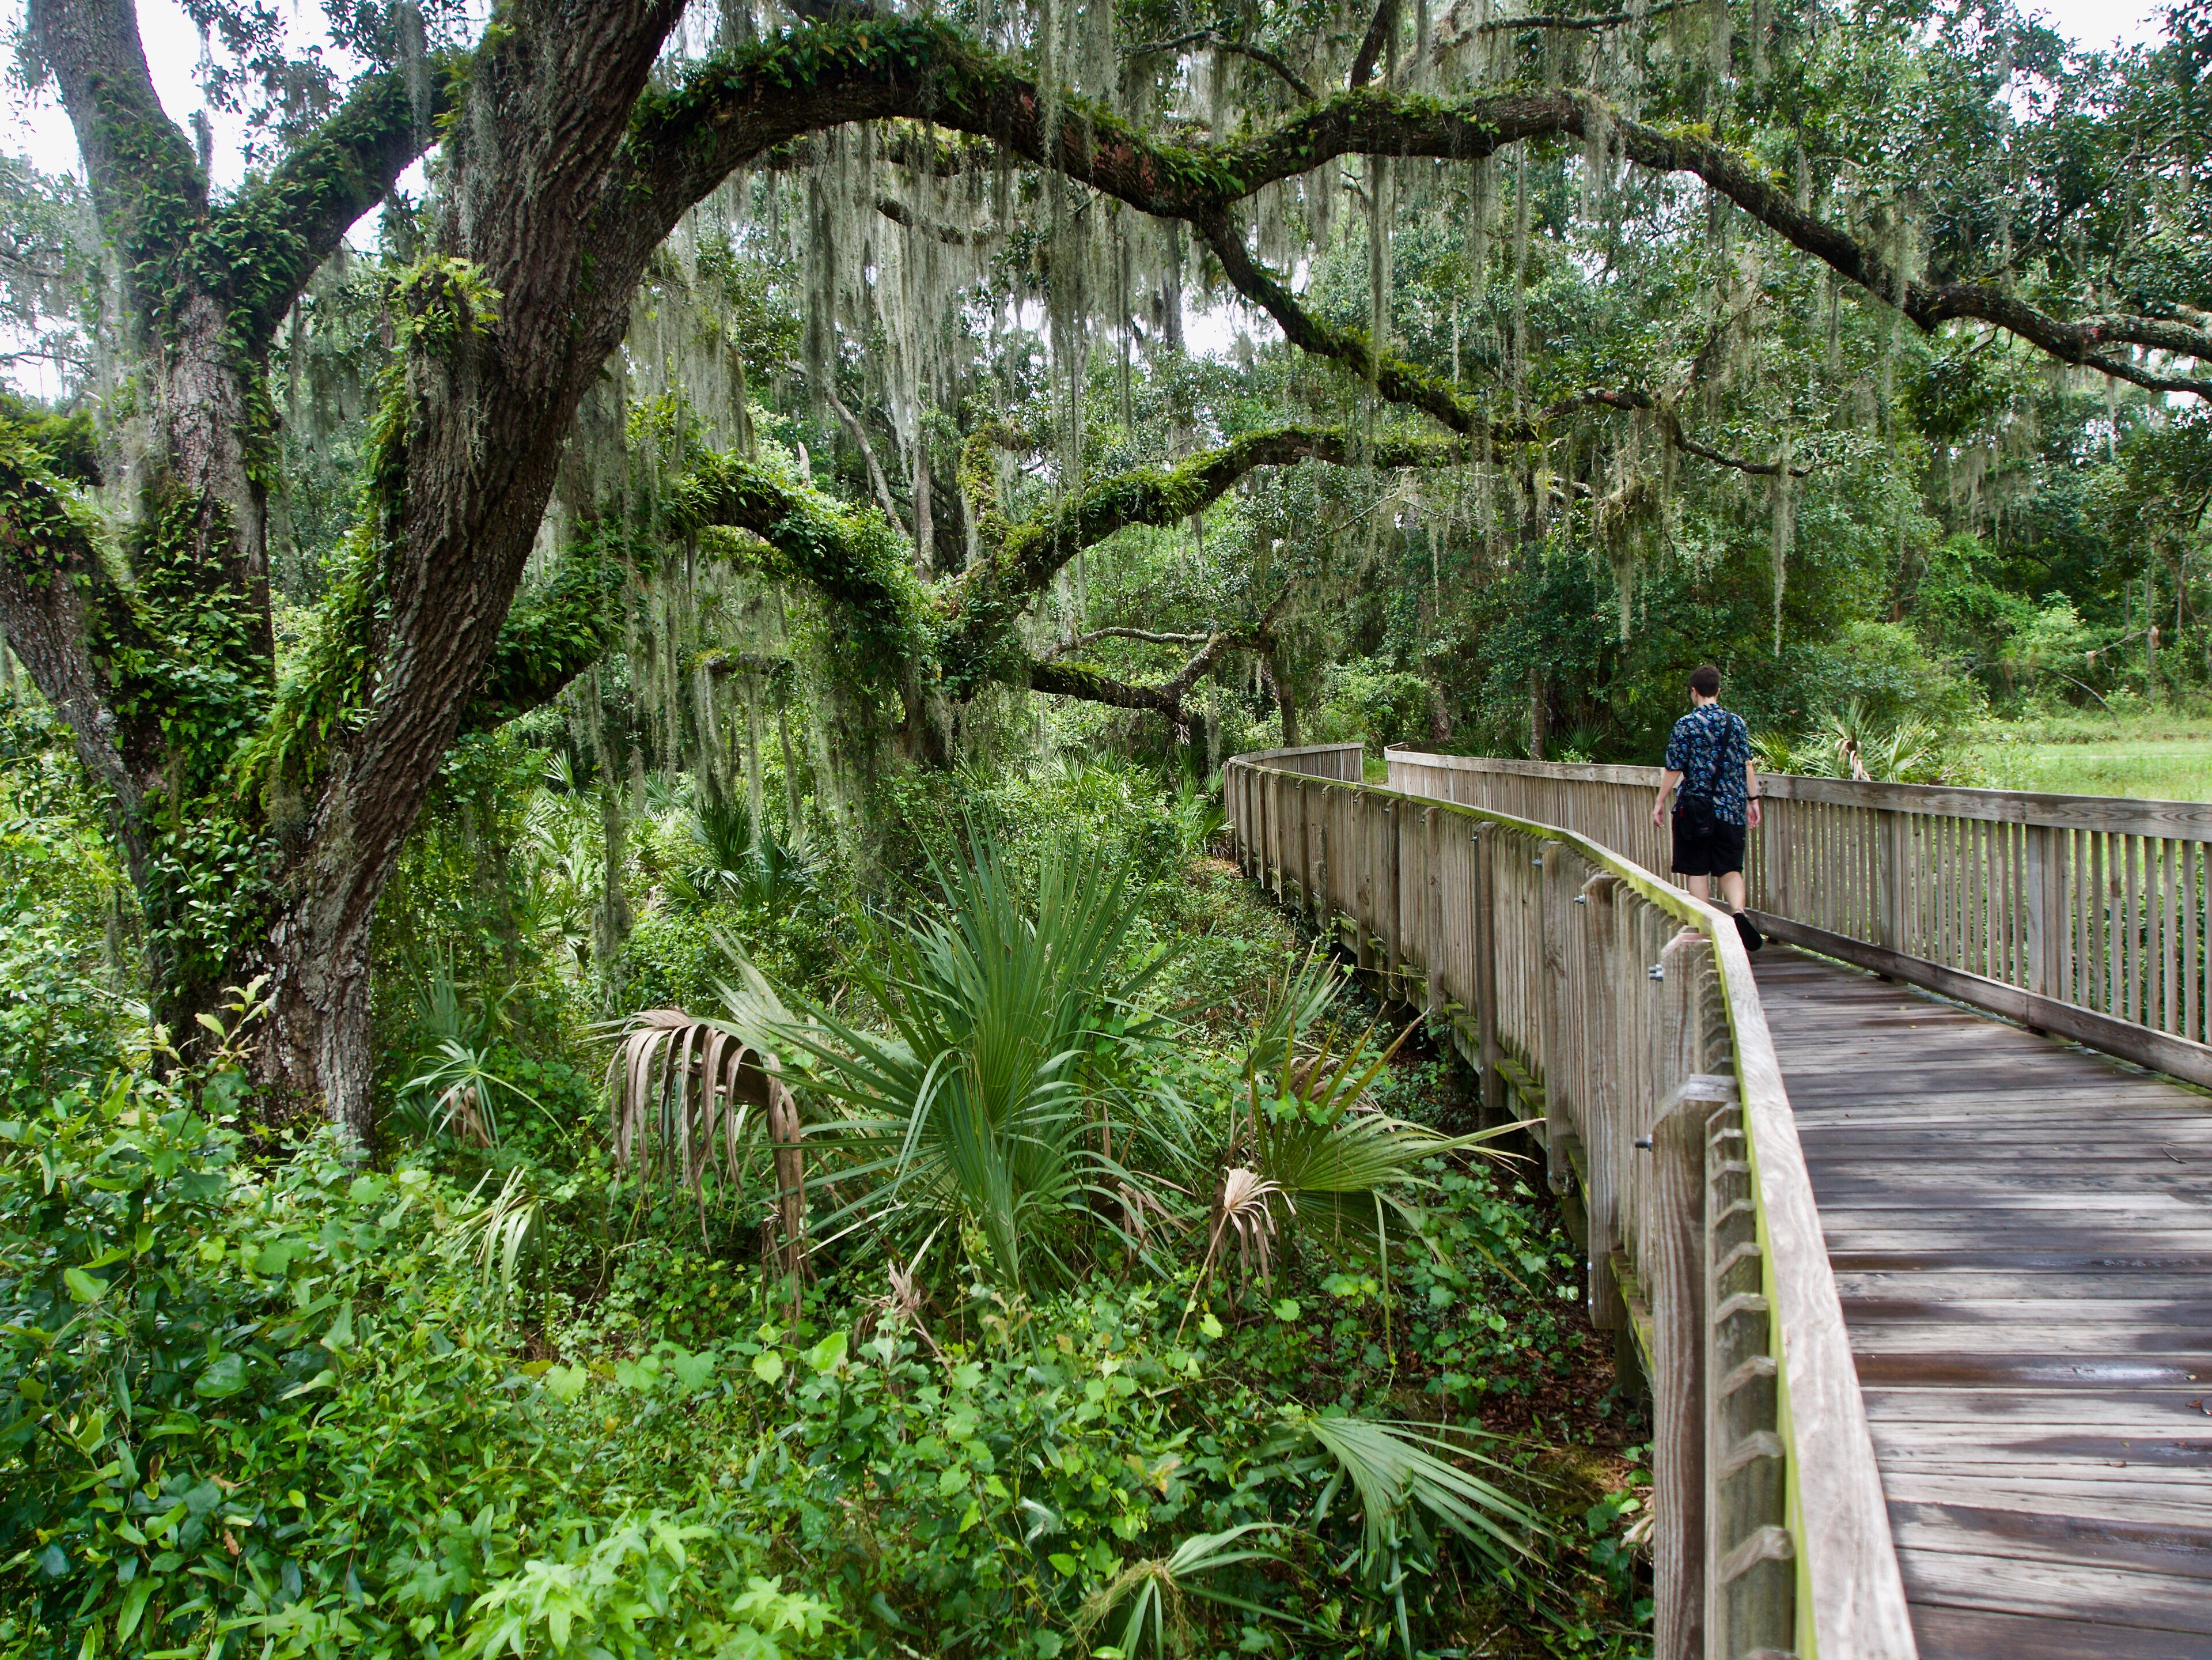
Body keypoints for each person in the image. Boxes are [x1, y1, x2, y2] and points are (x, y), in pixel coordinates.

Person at [1650, 664, 1764, 951]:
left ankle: (1707, 930)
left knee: (1697, 869)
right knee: (1729, 867)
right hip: (1731, 808)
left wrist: (1660, 801)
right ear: (1718, 691)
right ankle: (1738, 912)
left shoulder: (1686, 725)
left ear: (1694, 692)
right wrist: (1754, 800)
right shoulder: (1736, 723)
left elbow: (1674, 769)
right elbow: (1747, 764)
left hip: (1695, 810)